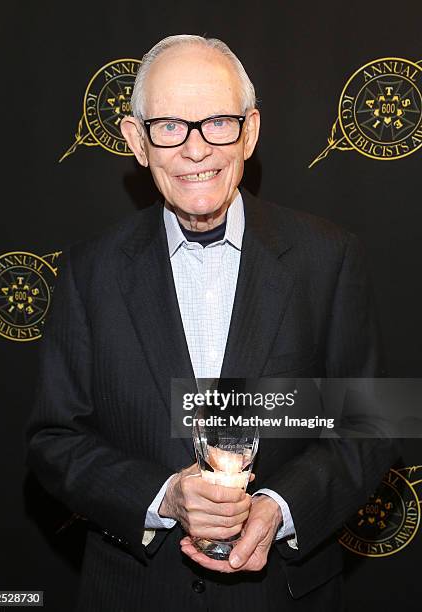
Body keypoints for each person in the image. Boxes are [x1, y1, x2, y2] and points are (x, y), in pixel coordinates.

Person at [26, 35, 398, 611]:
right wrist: (164, 497)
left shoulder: (329, 256)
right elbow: (55, 440)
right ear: (136, 141)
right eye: (171, 125)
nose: (196, 149)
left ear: (250, 131)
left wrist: (279, 506)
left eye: (218, 122)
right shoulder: (88, 271)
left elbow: (371, 425)